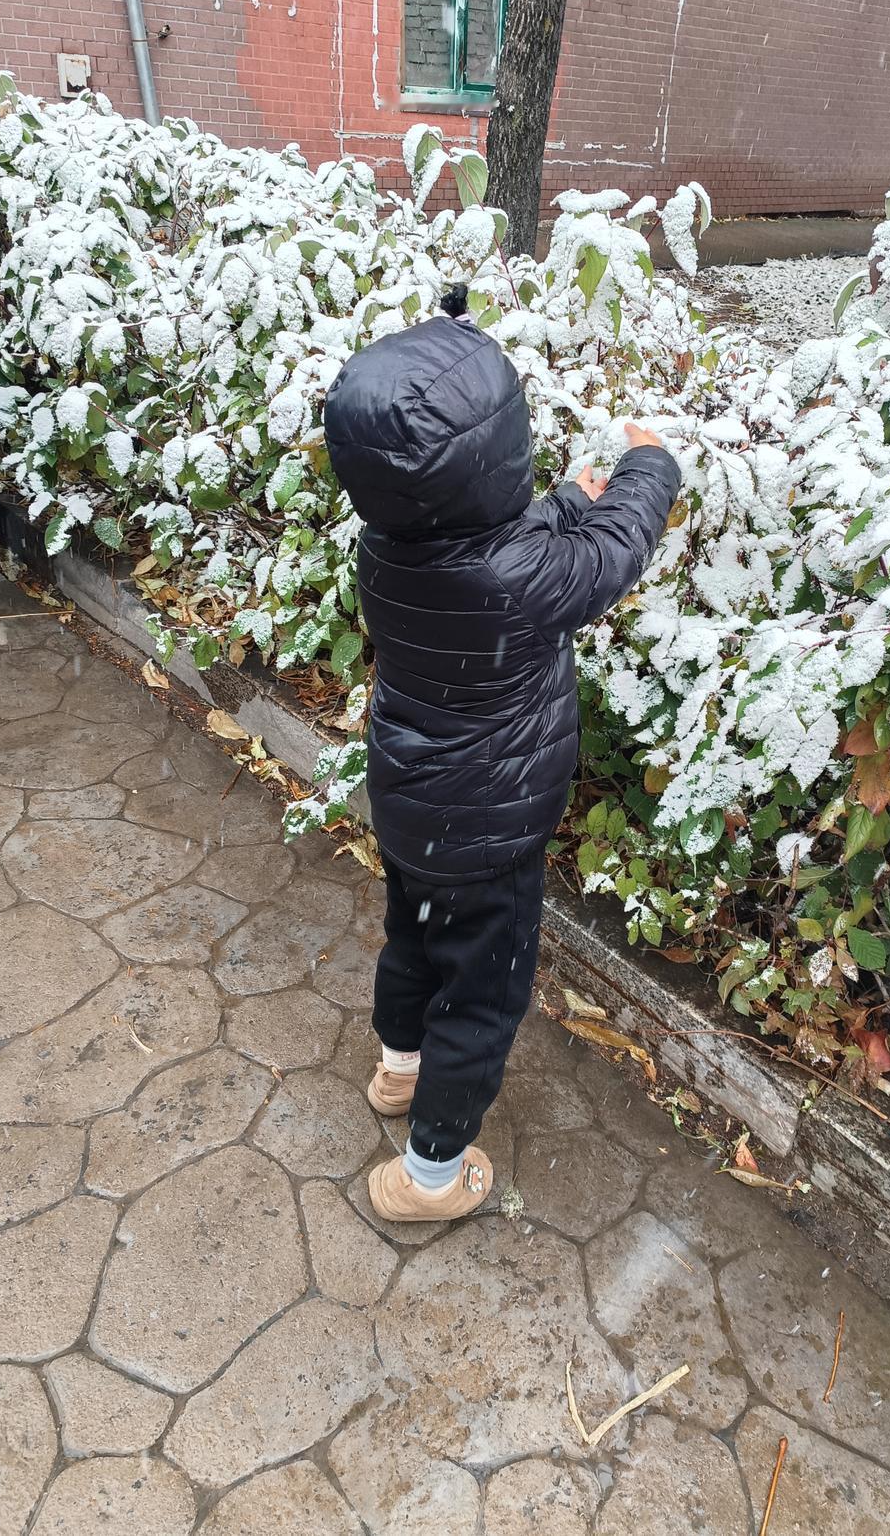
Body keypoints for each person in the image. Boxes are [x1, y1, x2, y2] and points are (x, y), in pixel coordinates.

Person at [323, 285, 681, 1222]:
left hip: (413, 811)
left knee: (413, 942)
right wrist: (649, 464)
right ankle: (430, 1177)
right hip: (492, 838)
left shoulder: (388, 546)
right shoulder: (514, 577)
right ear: (492, 460)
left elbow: (510, 543)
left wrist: (566, 499)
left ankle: (398, 1071)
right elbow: (612, 555)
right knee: (481, 1000)